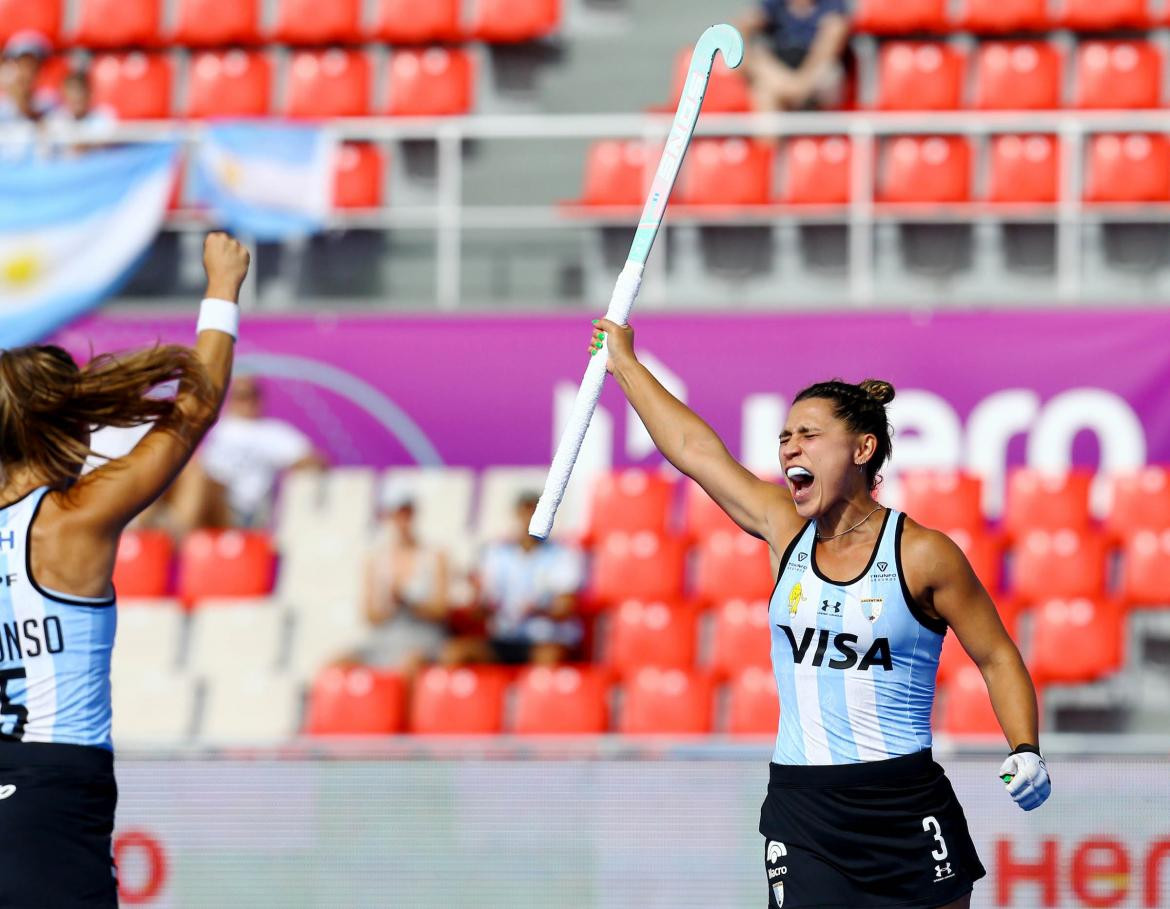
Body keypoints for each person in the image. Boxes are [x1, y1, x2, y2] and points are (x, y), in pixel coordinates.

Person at [588, 319, 1051, 909]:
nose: (789, 448)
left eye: (808, 434)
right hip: (803, 812)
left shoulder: (924, 553)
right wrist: (624, 363)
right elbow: (695, 450)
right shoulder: (785, 530)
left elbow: (997, 656)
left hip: (906, 807)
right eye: (785, 437)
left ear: (863, 449)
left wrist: (1024, 747)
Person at [0, 232, 249, 906]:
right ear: (70, 425)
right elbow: (193, 409)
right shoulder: (69, 518)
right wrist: (222, 289)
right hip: (51, 801)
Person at [461, 492, 584, 666]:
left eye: (535, 512)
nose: (529, 518)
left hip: (545, 638)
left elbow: (565, 608)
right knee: (459, 654)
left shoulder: (563, 554)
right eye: (525, 512)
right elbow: (478, 610)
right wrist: (479, 601)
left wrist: (537, 610)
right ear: (517, 515)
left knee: (547, 658)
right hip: (504, 638)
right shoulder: (496, 554)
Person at [199, 374, 327, 528]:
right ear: (230, 400)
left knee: (198, 479)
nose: (247, 401)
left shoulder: (272, 432)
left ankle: (174, 538)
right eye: (240, 395)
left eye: (251, 394)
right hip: (207, 500)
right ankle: (170, 535)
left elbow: (317, 460)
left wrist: (294, 468)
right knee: (188, 475)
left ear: (260, 397)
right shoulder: (217, 428)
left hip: (240, 509)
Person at [355, 479, 452, 676]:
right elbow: (370, 615)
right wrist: (391, 605)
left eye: (407, 511)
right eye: (398, 511)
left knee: (409, 666)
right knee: (336, 666)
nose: (403, 518)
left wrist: (409, 602)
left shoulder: (435, 555)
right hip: (385, 637)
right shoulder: (375, 559)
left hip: (423, 636)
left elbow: (441, 611)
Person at [736, 0, 851, 112]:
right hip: (781, 71)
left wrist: (802, 82)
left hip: (816, 75)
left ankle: (793, 92)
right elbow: (744, 25)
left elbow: (834, 34)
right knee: (763, 89)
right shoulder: (773, 4)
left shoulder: (831, 5)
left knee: (824, 70)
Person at [45, 68, 117, 154]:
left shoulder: (104, 115)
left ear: (89, 93)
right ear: (64, 94)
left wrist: (87, 145)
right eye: (71, 91)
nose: (76, 96)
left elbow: (108, 142)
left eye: (80, 90)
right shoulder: (54, 120)